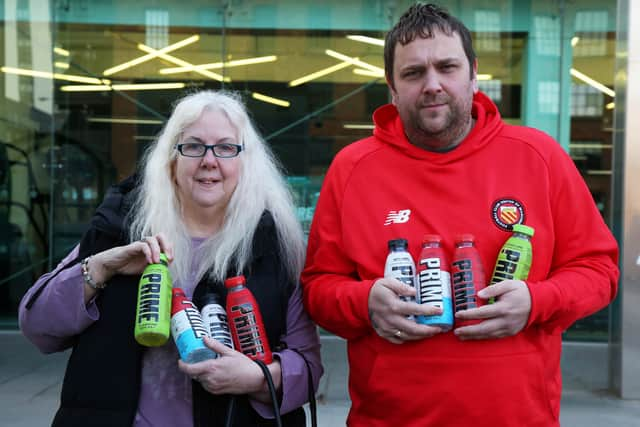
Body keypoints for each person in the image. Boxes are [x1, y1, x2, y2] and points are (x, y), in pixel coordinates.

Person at [301, 3, 618, 427]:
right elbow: (318, 289)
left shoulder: (538, 157)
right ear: (392, 88)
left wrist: (537, 302)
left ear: (473, 74)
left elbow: (599, 270)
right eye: (413, 73)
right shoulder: (353, 167)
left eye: (447, 67)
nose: (432, 85)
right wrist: (364, 303)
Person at [20, 90, 323, 427]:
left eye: (225, 147)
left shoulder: (275, 248)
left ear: (245, 163)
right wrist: (102, 267)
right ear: (171, 159)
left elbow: (308, 368)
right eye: (193, 146)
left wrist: (257, 377)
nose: (209, 160)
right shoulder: (120, 227)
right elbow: (38, 328)